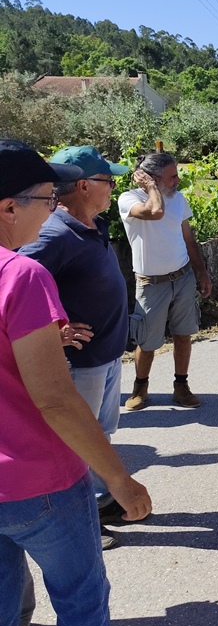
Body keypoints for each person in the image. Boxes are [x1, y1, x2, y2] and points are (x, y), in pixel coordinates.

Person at [0, 139, 152, 626]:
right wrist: (118, 480)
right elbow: (55, 400)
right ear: (8, 207)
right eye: (47, 198)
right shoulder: (22, 275)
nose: (53, 209)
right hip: (39, 481)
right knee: (81, 601)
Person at [19, 145, 133, 549]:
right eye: (107, 180)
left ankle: (100, 502)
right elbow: (15, 285)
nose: (113, 187)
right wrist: (55, 331)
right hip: (79, 363)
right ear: (84, 186)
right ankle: (83, 524)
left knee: (99, 434)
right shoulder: (54, 234)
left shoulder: (92, 225)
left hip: (105, 357)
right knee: (77, 443)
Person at [118, 152, 211, 411]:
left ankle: (181, 387)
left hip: (182, 277)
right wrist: (150, 187)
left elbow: (189, 239)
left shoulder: (178, 198)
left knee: (183, 335)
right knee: (147, 342)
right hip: (151, 283)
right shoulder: (129, 199)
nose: (178, 181)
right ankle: (140, 388)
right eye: (172, 177)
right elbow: (155, 211)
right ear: (150, 178)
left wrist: (202, 272)